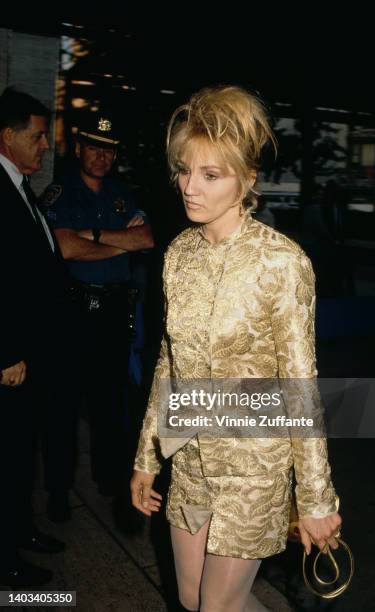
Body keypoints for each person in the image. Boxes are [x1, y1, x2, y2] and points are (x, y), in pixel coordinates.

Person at [130, 86, 342, 612]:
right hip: (192, 457)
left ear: (247, 180)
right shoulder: (179, 254)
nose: (189, 187)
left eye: (210, 175)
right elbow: (168, 362)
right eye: (184, 169)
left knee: (217, 607)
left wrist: (315, 500)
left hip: (254, 466)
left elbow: (300, 387)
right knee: (189, 597)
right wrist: (147, 458)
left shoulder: (281, 263)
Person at [44, 116, 154, 498]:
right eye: (93, 146)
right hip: (72, 314)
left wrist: (92, 235)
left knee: (111, 402)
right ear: (79, 150)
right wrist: (122, 241)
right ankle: (58, 490)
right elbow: (67, 248)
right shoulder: (61, 192)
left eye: (108, 149)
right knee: (63, 405)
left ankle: (109, 480)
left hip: (111, 313)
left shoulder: (123, 193)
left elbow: (146, 240)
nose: (101, 155)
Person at [0, 87, 67, 587]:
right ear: (8, 136)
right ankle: (5, 561)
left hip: (34, 351)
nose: (45, 145)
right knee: (6, 454)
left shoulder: (20, 187)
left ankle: (22, 529)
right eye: (38, 136)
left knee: (24, 450)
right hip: (10, 357)